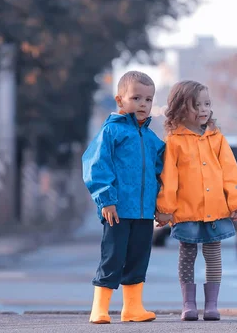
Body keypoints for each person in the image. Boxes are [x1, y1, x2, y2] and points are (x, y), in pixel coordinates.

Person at [155, 80, 237, 321]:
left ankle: (212, 305)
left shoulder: (217, 138)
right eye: (197, 105)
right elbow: (169, 179)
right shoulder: (174, 141)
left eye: (207, 103)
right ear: (180, 109)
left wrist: (236, 201)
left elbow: (230, 172)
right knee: (187, 255)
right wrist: (165, 209)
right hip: (186, 211)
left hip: (216, 210)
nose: (204, 109)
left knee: (214, 254)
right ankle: (188, 305)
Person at [82, 71, 165, 324]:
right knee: (113, 257)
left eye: (149, 99)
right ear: (120, 100)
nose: (143, 104)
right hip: (116, 210)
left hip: (143, 213)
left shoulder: (153, 140)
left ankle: (133, 308)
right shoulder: (111, 132)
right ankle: (100, 307)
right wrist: (106, 199)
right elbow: (96, 165)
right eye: (136, 98)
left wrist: (161, 207)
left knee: (139, 257)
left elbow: (161, 176)